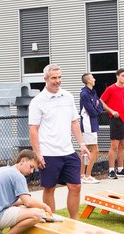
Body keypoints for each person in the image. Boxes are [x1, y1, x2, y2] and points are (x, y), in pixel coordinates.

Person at [29, 64, 89, 220]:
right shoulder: (38, 101)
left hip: (68, 151)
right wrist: (38, 153)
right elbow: (33, 129)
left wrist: (82, 144)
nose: (57, 81)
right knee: (49, 188)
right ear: (46, 79)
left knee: (75, 186)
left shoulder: (68, 96)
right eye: (54, 78)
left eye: (59, 77)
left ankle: (74, 222)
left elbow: (74, 122)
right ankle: (51, 221)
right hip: (48, 153)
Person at [100, 68, 124, 179]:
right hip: (116, 119)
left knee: (122, 146)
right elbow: (101, 101)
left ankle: (120, 169)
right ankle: (111, 171)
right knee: (114, 146)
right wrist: (111, 111)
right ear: (117, 76)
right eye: (122, 75)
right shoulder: (111, 89)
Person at [79, 73, 103, 184]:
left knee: (86, 150)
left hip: (93, 124)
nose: (94, 79)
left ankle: (83, 175)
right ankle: (86, 175)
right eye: (92, 77)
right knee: (94, 150)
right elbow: (92, 111)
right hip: (88, 125)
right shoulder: (84, 94)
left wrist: (97, 106)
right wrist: (96, 107)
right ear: (88, 80)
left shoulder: (93, 92)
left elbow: (100, 105)